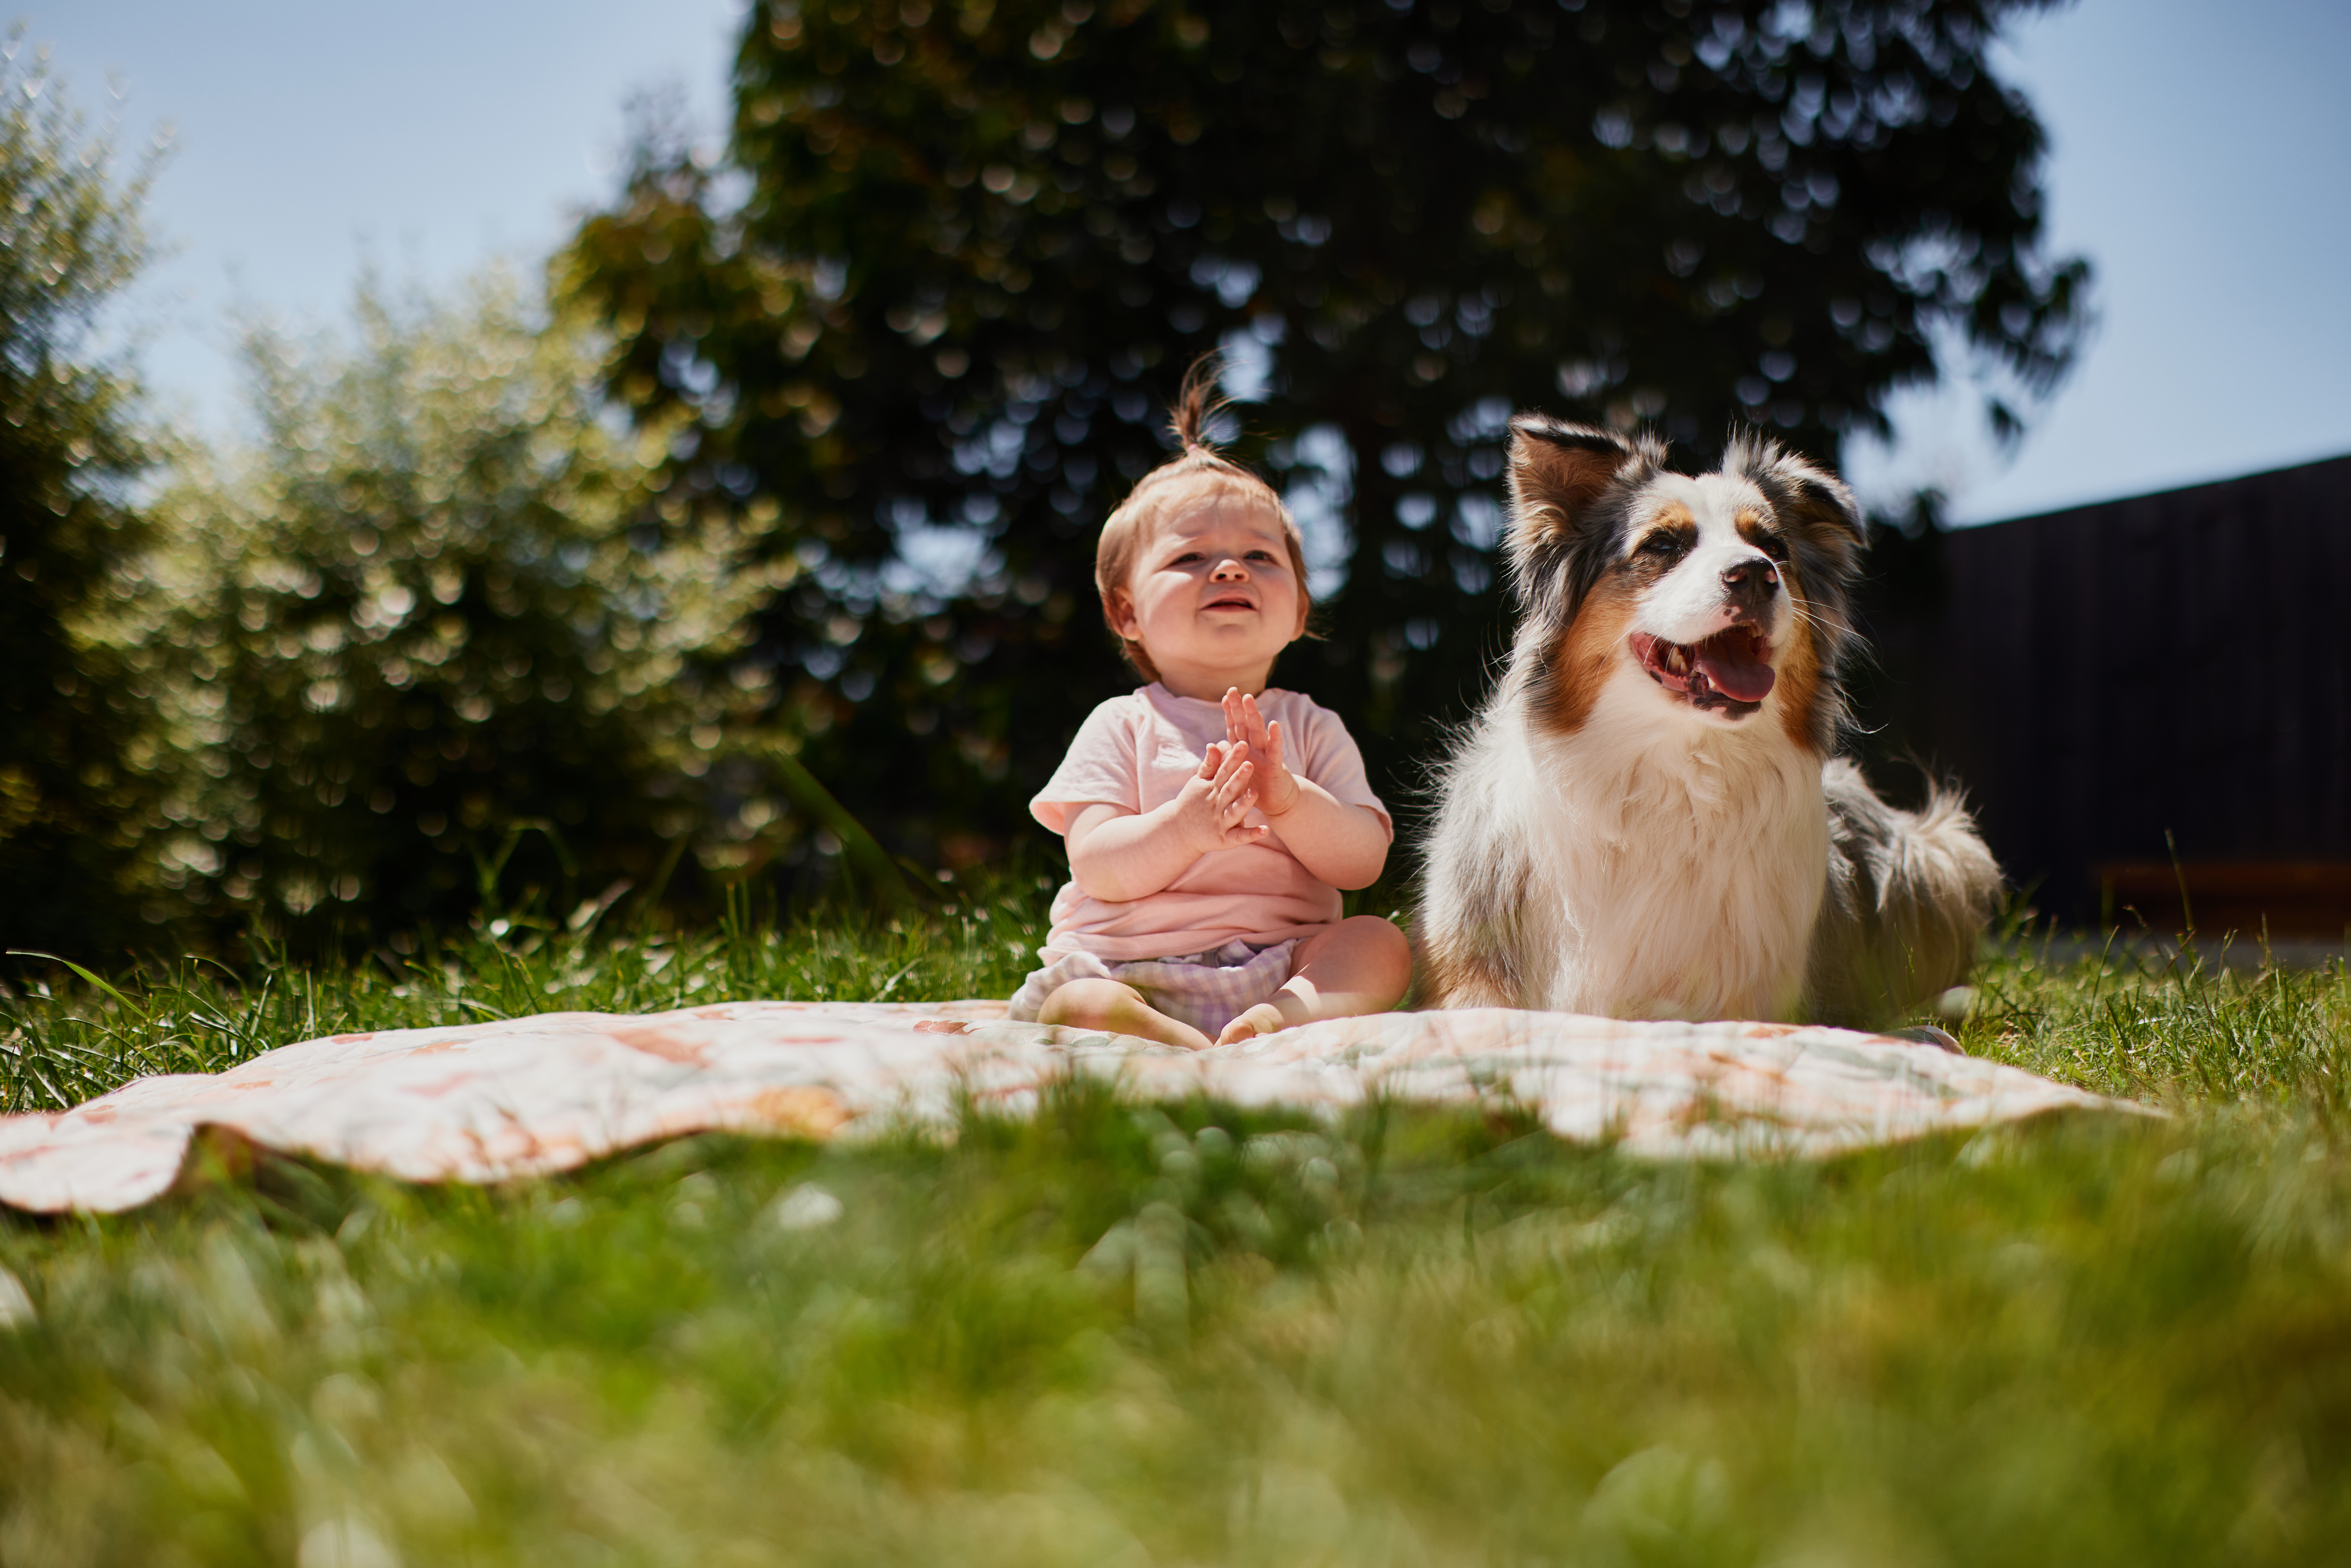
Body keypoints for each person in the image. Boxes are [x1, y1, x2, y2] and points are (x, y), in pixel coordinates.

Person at [1008, 360, 1411, 1048]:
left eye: (1259, 556)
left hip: (1284, 967)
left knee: (1379, 942)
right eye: (1190, 558)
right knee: (1077, 1000)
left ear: (1298, 611)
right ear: (1126, 612)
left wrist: (1289, 800)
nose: (1229, 569)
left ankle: (1278, 1020)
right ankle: (1156, 1030)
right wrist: (1186, 826)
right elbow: (1098, 864)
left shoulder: (1311, 727)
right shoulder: (1122, 725)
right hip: (1127, 970)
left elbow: (1362, 862)